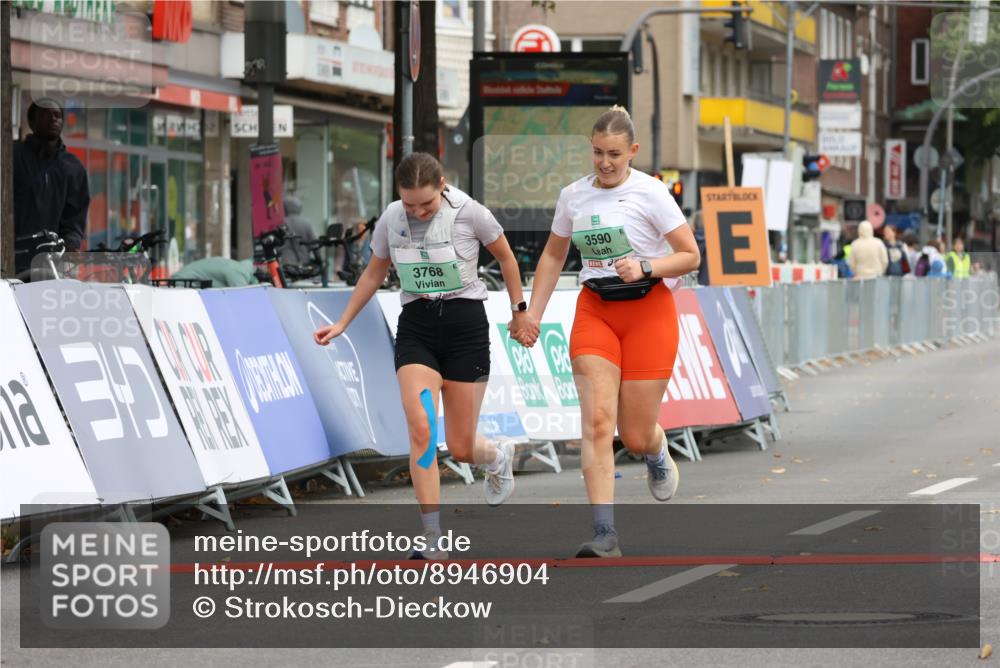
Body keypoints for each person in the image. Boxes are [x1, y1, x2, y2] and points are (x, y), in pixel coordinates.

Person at [313, 152, 534, 558]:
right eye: (409, 202)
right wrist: (342, 322)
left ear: (443, 186)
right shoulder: (392, 217)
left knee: (462, 446)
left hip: (466, 327)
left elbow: (506, 257)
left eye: (425, 204)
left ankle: (497, 455)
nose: (416, 211)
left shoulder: (471, 213)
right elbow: (375, 271)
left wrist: (519, 312)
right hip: (417, 328)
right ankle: (432, 537)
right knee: (422, 431)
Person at [512, 106, 700, 558]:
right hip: (595, 309)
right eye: (597, 153)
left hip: (648, 311)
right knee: (597, 421)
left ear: (632, 151)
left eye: (614, 154)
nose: (605, 163)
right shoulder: (573, 196)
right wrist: (530, 313)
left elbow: (690, 255)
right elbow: (555, 256)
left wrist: (647, 266)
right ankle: (604, 534)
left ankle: (655, 451)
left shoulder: (651, 193)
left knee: (634, 435)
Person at [13, 98, 90, 274]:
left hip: (54, 262)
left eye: (57, 115)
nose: (53, 119)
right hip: (14, 256)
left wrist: (70, 246)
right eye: (46, 114)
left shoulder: (73, 167)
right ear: (32, 121)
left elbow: (76, 215)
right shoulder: (13, 157)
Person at [279, 195, 318, 267]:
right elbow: (314, 244)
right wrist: (319, 260)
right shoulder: (306, 223)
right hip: (304, 262)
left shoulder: (281, 223)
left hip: (286, 262)